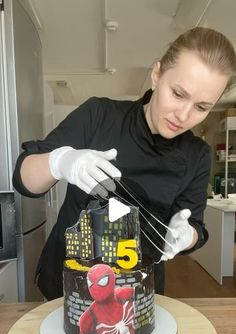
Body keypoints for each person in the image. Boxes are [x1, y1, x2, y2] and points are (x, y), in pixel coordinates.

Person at [13, 27, 236, 300]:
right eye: (178, 94)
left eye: (202, 107)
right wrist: (60, 161)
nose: (184, 115)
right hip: (66, 283)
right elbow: (23, 179)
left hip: (137, 291)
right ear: (156, 75)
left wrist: (185, 236)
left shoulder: (196, 155)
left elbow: (197, 228)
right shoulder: (99, 115)